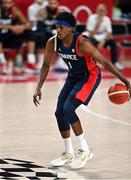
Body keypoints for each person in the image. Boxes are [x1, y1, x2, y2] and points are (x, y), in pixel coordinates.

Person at [33, 12, 131, 170]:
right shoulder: (53, 42)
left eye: (62, 27)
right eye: (57, 27)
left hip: (89, 76)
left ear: (70, 28)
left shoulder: (82, 42)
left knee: (68, 108)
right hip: (73, 76)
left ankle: (85, 150)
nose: (58, 30)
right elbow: (45, 65)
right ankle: (68, 151)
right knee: (59, 112)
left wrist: (124, 80)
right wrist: (38, 87)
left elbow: (104, 61)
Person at [83, 3, 124, 70]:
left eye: (102, 10)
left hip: (102, 38)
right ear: (97, 10)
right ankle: (90, 62)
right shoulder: (91, 18)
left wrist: (104, 40)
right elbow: (92, 33)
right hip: (93, 37)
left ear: (106, 12)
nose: (101, 12)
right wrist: (98, 23)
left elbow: (110, 34)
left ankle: (114, 63)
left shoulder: (107, 19)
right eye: (99, 10)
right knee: (91, 41)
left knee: (113, 42)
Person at [0, 0, 31, 74]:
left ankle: (29, 62)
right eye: (5, 3)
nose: (7, 5)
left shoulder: (14, 9)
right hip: (1, 35)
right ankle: (2, 62)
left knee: (30, 34)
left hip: (9, 36)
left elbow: (27, 24)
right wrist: (11, 27)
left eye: (10, 3)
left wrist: (22, 27)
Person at [25, 0, 48, 73]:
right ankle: (31, 62)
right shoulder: (31, 8)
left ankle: (42, 63)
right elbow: (33, 23)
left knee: (43, 35)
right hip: (38, 28)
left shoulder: (49, 4)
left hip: (50, 28)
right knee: (35, 35)